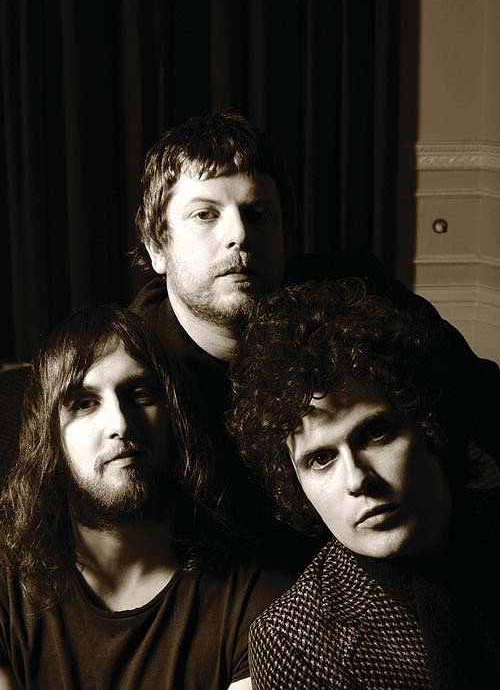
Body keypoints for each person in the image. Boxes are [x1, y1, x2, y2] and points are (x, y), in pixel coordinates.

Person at [130, 110, 500, 543]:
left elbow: (479, 397)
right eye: (205, 215)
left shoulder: (357, 291)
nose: (239, 235)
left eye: (258, 213)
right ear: (156, 247)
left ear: (285, 236)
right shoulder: (129, 369)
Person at [0, 306, 293, 690]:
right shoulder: (6, 588)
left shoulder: (260, 600)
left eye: (139, 394)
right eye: (85, 403)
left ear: (176, 418)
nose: (120, 424)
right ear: (50, 436)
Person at [229, 278, 500, 690]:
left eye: (375, 434)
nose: (357, 480)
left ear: (428, 423)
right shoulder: (293, 643)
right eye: (321, 459)